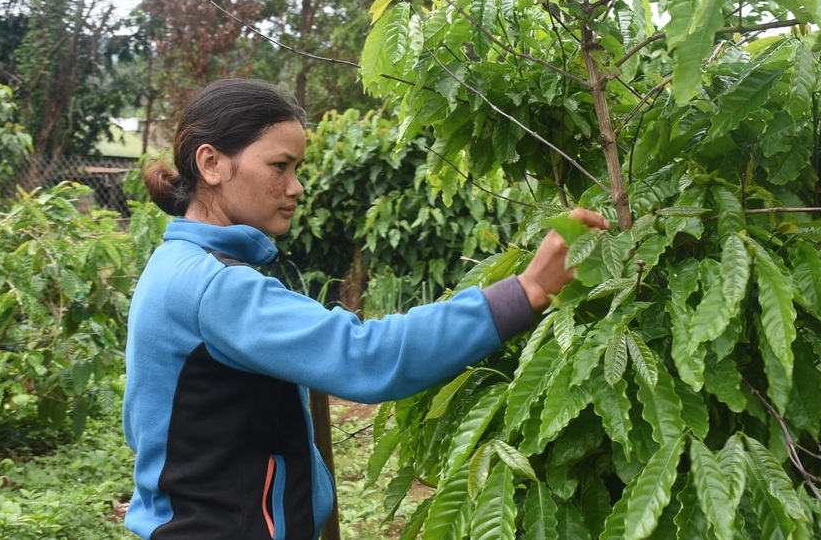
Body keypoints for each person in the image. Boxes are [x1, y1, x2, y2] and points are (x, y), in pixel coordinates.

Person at [122, 78, 610, 540]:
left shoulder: (175, 264)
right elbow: (366, 355)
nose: (296, 188)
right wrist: (527, 289)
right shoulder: (216, 287)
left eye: (298, 169)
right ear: (211, 164)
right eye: (279, 166)